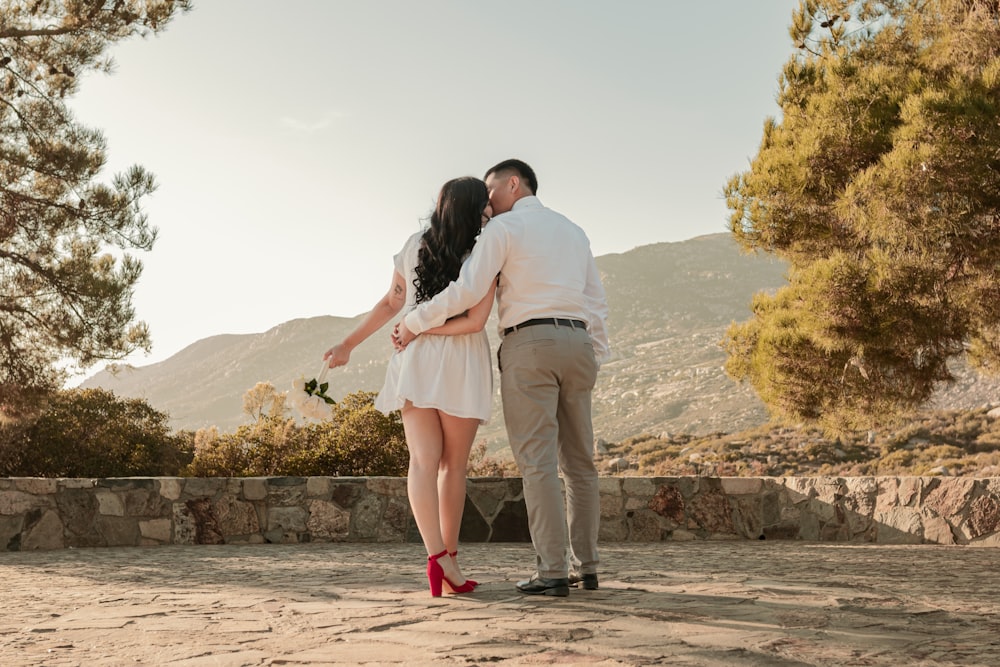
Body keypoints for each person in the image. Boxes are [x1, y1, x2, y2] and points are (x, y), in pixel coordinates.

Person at [394, 159, 610, 597]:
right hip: (578, 342)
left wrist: (416, 322)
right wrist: (594, 353)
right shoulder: (574, 231)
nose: (488, 203)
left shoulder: (503, 230)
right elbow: (595, 300)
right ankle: (587, 568)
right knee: (581, 464)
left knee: (539, 463)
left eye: (493, 192)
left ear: (514, 184)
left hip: (529, 344)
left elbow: (467, 291)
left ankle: (552, 571)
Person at [324, 176, 496, 597]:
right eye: (485, 207)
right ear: (474, 209)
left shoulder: (414, 243)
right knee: (452, 466)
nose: (490, 214)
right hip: (459, 356)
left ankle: (437, 558)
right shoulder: (486, 249)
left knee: (421, 462)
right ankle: (449, 559)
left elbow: (392, 302)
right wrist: (419, 331)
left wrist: (349, 344)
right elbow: (475, 320)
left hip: (414, 358)